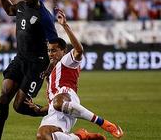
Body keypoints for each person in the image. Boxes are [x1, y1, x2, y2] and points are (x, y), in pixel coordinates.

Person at [26, 9, 123, 140]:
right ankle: (80, 137)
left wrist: (65, 26)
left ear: (63, 50)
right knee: (42, 135)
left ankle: (105, 124)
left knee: (57, 102)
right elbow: (52, 103)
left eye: (54, 50)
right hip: (56, 110)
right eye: (49, 51)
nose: (50, 54)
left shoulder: (66, 61)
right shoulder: (51, 74)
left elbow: (79, 50)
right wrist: (38, 109)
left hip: (67, 98)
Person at [0, 0, 58, 139]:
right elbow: (9, 9)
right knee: (4, 94)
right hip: (20, 58)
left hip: (36, 64)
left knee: (19, 106)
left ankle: (54, 112)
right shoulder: (21, 6)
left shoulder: (45, 17)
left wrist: (50, 67)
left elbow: (55, 45)